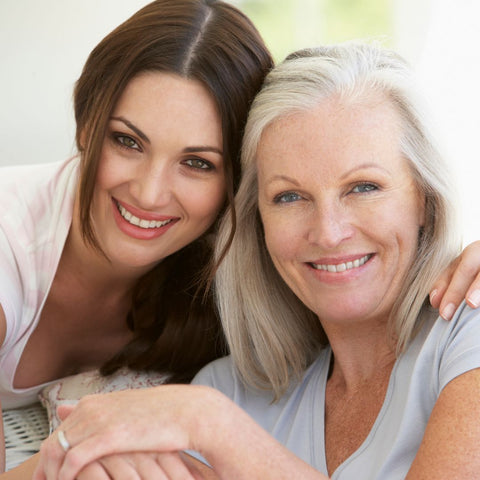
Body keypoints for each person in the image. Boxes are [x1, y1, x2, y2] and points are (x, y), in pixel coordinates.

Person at [33, 42, 480, 480]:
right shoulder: (230, 392)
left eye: (363, 187)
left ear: (424, 198)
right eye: (289, 196)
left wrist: (215, 427)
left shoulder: (469, 328)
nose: (328, 231)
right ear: (257, 223)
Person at [0, 0, 274, 474]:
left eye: (197, 163)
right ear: (87, 123)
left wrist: (445, 264)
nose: (148, 193)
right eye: (127, 140)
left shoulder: (237, 267)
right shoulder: (10, 237)